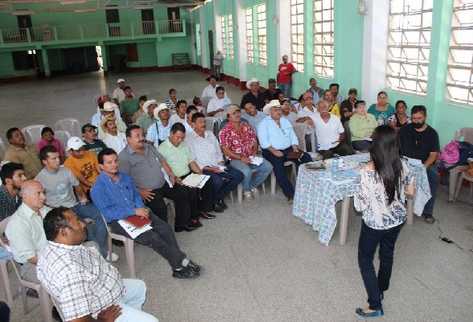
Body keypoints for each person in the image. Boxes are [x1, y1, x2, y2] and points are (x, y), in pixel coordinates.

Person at [92, 148, 201, 279]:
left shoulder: (125, 178)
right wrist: (133, 211)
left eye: (115, 161)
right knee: (152, 237)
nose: (114, 165)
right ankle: (180, 262)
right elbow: (108, 212)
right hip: (118, 220)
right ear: (101, 166)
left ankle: (176, 264)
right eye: (109, 163)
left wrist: (140, 208)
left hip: (137, 212)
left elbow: (136, 196)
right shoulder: (97, 188)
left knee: (165, 229)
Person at [37, 207, 160, 322]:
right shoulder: (70, 271)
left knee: (139, 286)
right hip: (102, 308)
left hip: (100, 290)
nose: (84, 224)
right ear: (63, 232)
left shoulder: (52, 247)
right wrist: (102, 321)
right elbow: (77, 320)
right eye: (77, 222)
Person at [354, 125, 414, 319]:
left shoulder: (367, 171)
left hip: (375, 223)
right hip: (397, 220)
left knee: (365, 259)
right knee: (387, 252)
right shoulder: (403, 164)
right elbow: (410, 193)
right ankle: (382, 287)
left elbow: (360, 206)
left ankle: (375, 305)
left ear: (376, 145)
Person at [35, 146, 112, 260]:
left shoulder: (65, 170)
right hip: (58, 210)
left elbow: (76, 185)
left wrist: (82, 197)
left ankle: (102, 251)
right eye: (54, 158)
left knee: (99, 214)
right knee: (82, 226)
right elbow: (41, 200)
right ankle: (98, 254)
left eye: (58, 157)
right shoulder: (39, 179)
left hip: (75, 204)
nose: (58, 160)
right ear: (45, 162)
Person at [119, 125, 201, 232]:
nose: (141, 138)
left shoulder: (148, 146)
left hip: (163, 183)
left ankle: (181, 225)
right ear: (128, 139)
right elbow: (123, 181)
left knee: (183, 192)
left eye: (142, 135)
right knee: (161, 208)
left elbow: (162, 160)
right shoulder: (123, 157)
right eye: (137, 136)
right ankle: (163, 234)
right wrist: (139, 192)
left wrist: (171, 174)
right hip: (148, 191)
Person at [187, 112, 244, 208]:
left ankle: (216, 198)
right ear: (193, 124)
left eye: (204, 121)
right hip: (204, 169)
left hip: (217, 165)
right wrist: (211, 169)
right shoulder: (189, 139)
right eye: (200, 122)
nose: (204, 124)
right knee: (218, 181)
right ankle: (216, 200)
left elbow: (218, 151)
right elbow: (193, 160)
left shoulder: (210, 134)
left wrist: (220, 163)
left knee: (238, 175)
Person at [257, 101, 311, 202]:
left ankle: (307, 186)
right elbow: (263, 141)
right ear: (269, 112)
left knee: (306, 157)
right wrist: (273, 151)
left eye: (279, 109)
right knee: (279, 170)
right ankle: (290, 194)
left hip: (289, 149)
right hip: (271, 150)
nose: (279, 112)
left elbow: (292, 135)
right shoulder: (263, 123)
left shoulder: (285, 121)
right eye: (276, 110)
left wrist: (295, 146)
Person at [158, 123, 216, 218]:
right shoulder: (162, 148)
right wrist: (175, 177)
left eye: (182, 138)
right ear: (171, 133)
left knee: (207, 181)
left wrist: (200, 173)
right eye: (178, 137)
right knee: (189, 191)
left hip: (188, 175)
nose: (180, 140)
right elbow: (162, 169)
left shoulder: (184, 145)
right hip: (175, 178)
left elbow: (191, 161)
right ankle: (190, 218)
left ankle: (203, 210)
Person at [219, 106, 272, 199]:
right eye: (234, 113)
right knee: (246, 171)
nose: (237, 114)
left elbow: (254, 140)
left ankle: (250, 186)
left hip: (250, 156)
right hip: (235, 159)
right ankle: (247, 190)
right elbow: (225, 150)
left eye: (238, 112)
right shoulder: (224, 131)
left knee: (268, 167)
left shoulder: (246, 126)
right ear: (228, 117)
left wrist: (254, 152)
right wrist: (241, 158)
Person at [399, 105, 439, 224]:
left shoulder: (432, 134)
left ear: (425, 117)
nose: (416, 121)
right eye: (414, 118)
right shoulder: (405, 129)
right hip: (405, 161)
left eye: (419, 118)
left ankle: (428, 212)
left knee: (433, 176)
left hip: (424, 164)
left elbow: (433, 155)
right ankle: (399, 204)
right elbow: (397, 147)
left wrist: (424, 167)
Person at [5, 180, 48, 283]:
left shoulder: (44, 210)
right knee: (67, 276)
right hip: (32, 265)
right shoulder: (18, 223)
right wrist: (58, 261)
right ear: (25, 196)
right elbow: (32, 258)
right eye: (38, 193)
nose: (44, 197)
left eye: (44, 192)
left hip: (51, 254)